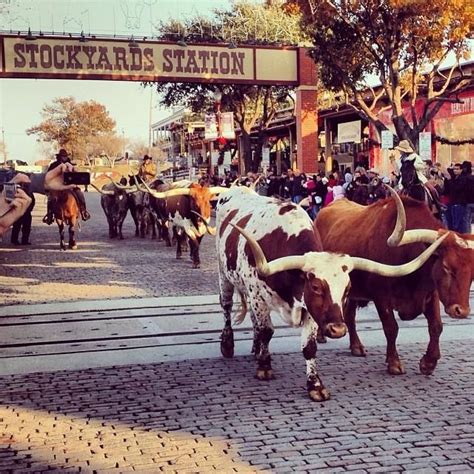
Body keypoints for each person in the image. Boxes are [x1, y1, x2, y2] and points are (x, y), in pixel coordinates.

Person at [43, 149, 90, 224]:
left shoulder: (70, 164)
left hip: (69, 186)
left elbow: (76, 176)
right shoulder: (53, 165)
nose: (64, 157)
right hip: (57, 187)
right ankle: (49, 214)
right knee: (50, 198)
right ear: (60, 156)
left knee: (80, 194)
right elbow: (48, 176)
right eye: (63, 156)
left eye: (65, 156)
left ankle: (83, 211)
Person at [11, 180, 35, 245]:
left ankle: (24, 240)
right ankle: (15, 240)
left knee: (26, 228)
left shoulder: (29, 192)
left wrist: (29, 209)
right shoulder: (18, 192)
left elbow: (33, 201)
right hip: (20, 212)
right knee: (17, 227)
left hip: (26, 212)